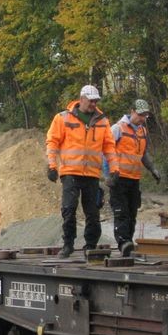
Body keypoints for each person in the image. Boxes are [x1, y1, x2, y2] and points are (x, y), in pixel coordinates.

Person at [46, 84, 118, 258]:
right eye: (91, 101)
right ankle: (68, 244)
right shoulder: (63, 118)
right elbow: (52, 142)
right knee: (69, 209)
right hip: (70, 172)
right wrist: (52, 165)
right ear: (82, 99)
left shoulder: (102, 121)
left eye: (96, 101)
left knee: (93, 212)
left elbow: (109, 147)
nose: (94, 104)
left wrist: (114, 169)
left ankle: (90, 246)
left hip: (92, 174)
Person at [102, 99, 162, 257]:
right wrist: (107, 175)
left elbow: (144, 154)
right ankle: (123, 242)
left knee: (132, 213)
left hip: (134, 179)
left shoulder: (142, 131)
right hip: (118, 179)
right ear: (132, 111)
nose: (142, 118)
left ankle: (128, 242)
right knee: (121, 213)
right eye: (140, 115)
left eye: (145, 116)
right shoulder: (117, 129)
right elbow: (106, 152)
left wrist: (153, 169)